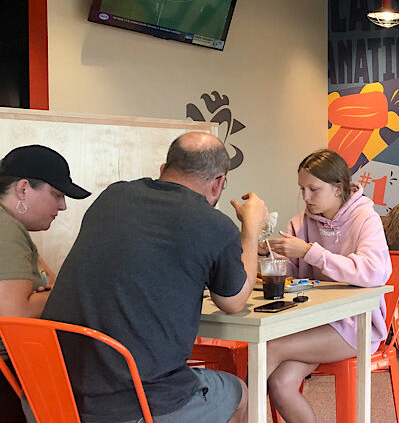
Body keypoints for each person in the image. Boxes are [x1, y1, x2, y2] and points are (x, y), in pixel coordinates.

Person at [42, 132, 268, 423]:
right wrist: (251, 228)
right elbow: (233, 301)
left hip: (54, 394)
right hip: (135, 403)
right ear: (218, 183)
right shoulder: (215, 225)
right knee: (239, 393)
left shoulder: (112, 197)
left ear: (163, 169)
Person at [264, 149, 390, 423]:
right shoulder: (300, 222)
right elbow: (292, 276)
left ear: (338, 188)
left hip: (357, 324)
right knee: (281, 385)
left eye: (313, 189)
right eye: (302, 189)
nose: (306, 197)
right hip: (313, 321)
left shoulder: (365, 218)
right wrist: (270, 257)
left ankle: (238, 413)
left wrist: (309, 251)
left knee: (269, 347)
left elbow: (374, 271)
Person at [0, 145, 90, 423]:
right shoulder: (6, 230)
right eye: (57, 194)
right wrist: (64, 293)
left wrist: (44, 295)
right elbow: (12, 313)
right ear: (23, 189)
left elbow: (50, 283)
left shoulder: (11, 227)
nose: (62, 206)